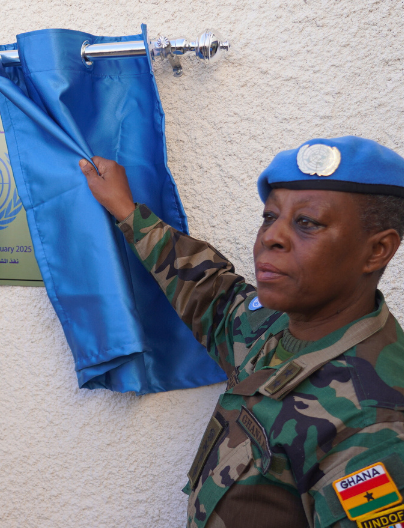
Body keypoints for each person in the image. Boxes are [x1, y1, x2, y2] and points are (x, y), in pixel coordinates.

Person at [80, 136, 404, 528]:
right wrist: (127, 211)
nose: (271, 237)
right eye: (270, 217)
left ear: (377, 251)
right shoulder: (276, 323)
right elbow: (208, 292)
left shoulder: (374, 421)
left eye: (307, 223)